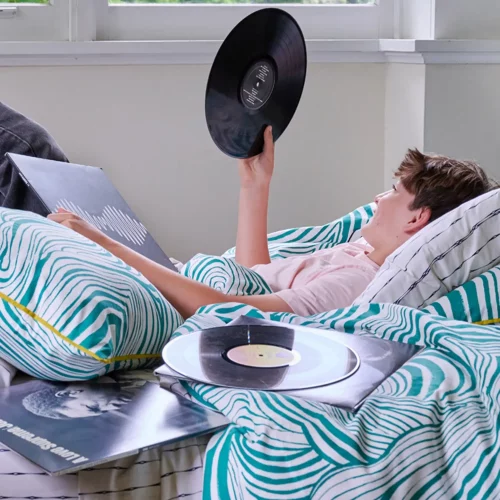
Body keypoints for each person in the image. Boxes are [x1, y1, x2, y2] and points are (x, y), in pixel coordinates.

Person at [48, 126, 496, 318]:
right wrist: (255, 186)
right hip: (182, 275)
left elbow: (230, 311)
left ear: (418, 218)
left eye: (393, 192)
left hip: (173, 300)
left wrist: (103, 242)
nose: (377, 199)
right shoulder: (355, 253)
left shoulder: (359, 281)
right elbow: (255, 280)